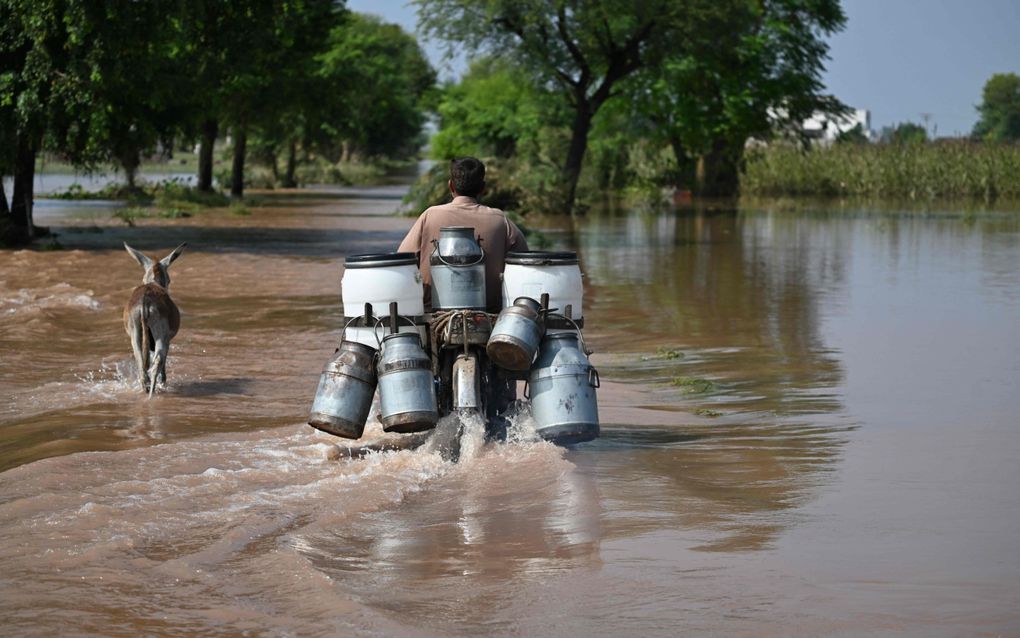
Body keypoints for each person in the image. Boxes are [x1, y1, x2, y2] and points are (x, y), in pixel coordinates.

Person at [398, 157, 528, 312]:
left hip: (434, 313)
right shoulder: (500, 220)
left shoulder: (430, 216)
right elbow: (525, 265)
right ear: (483, 188)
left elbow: (402, 260)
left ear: (450, 185)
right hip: (489, 314)